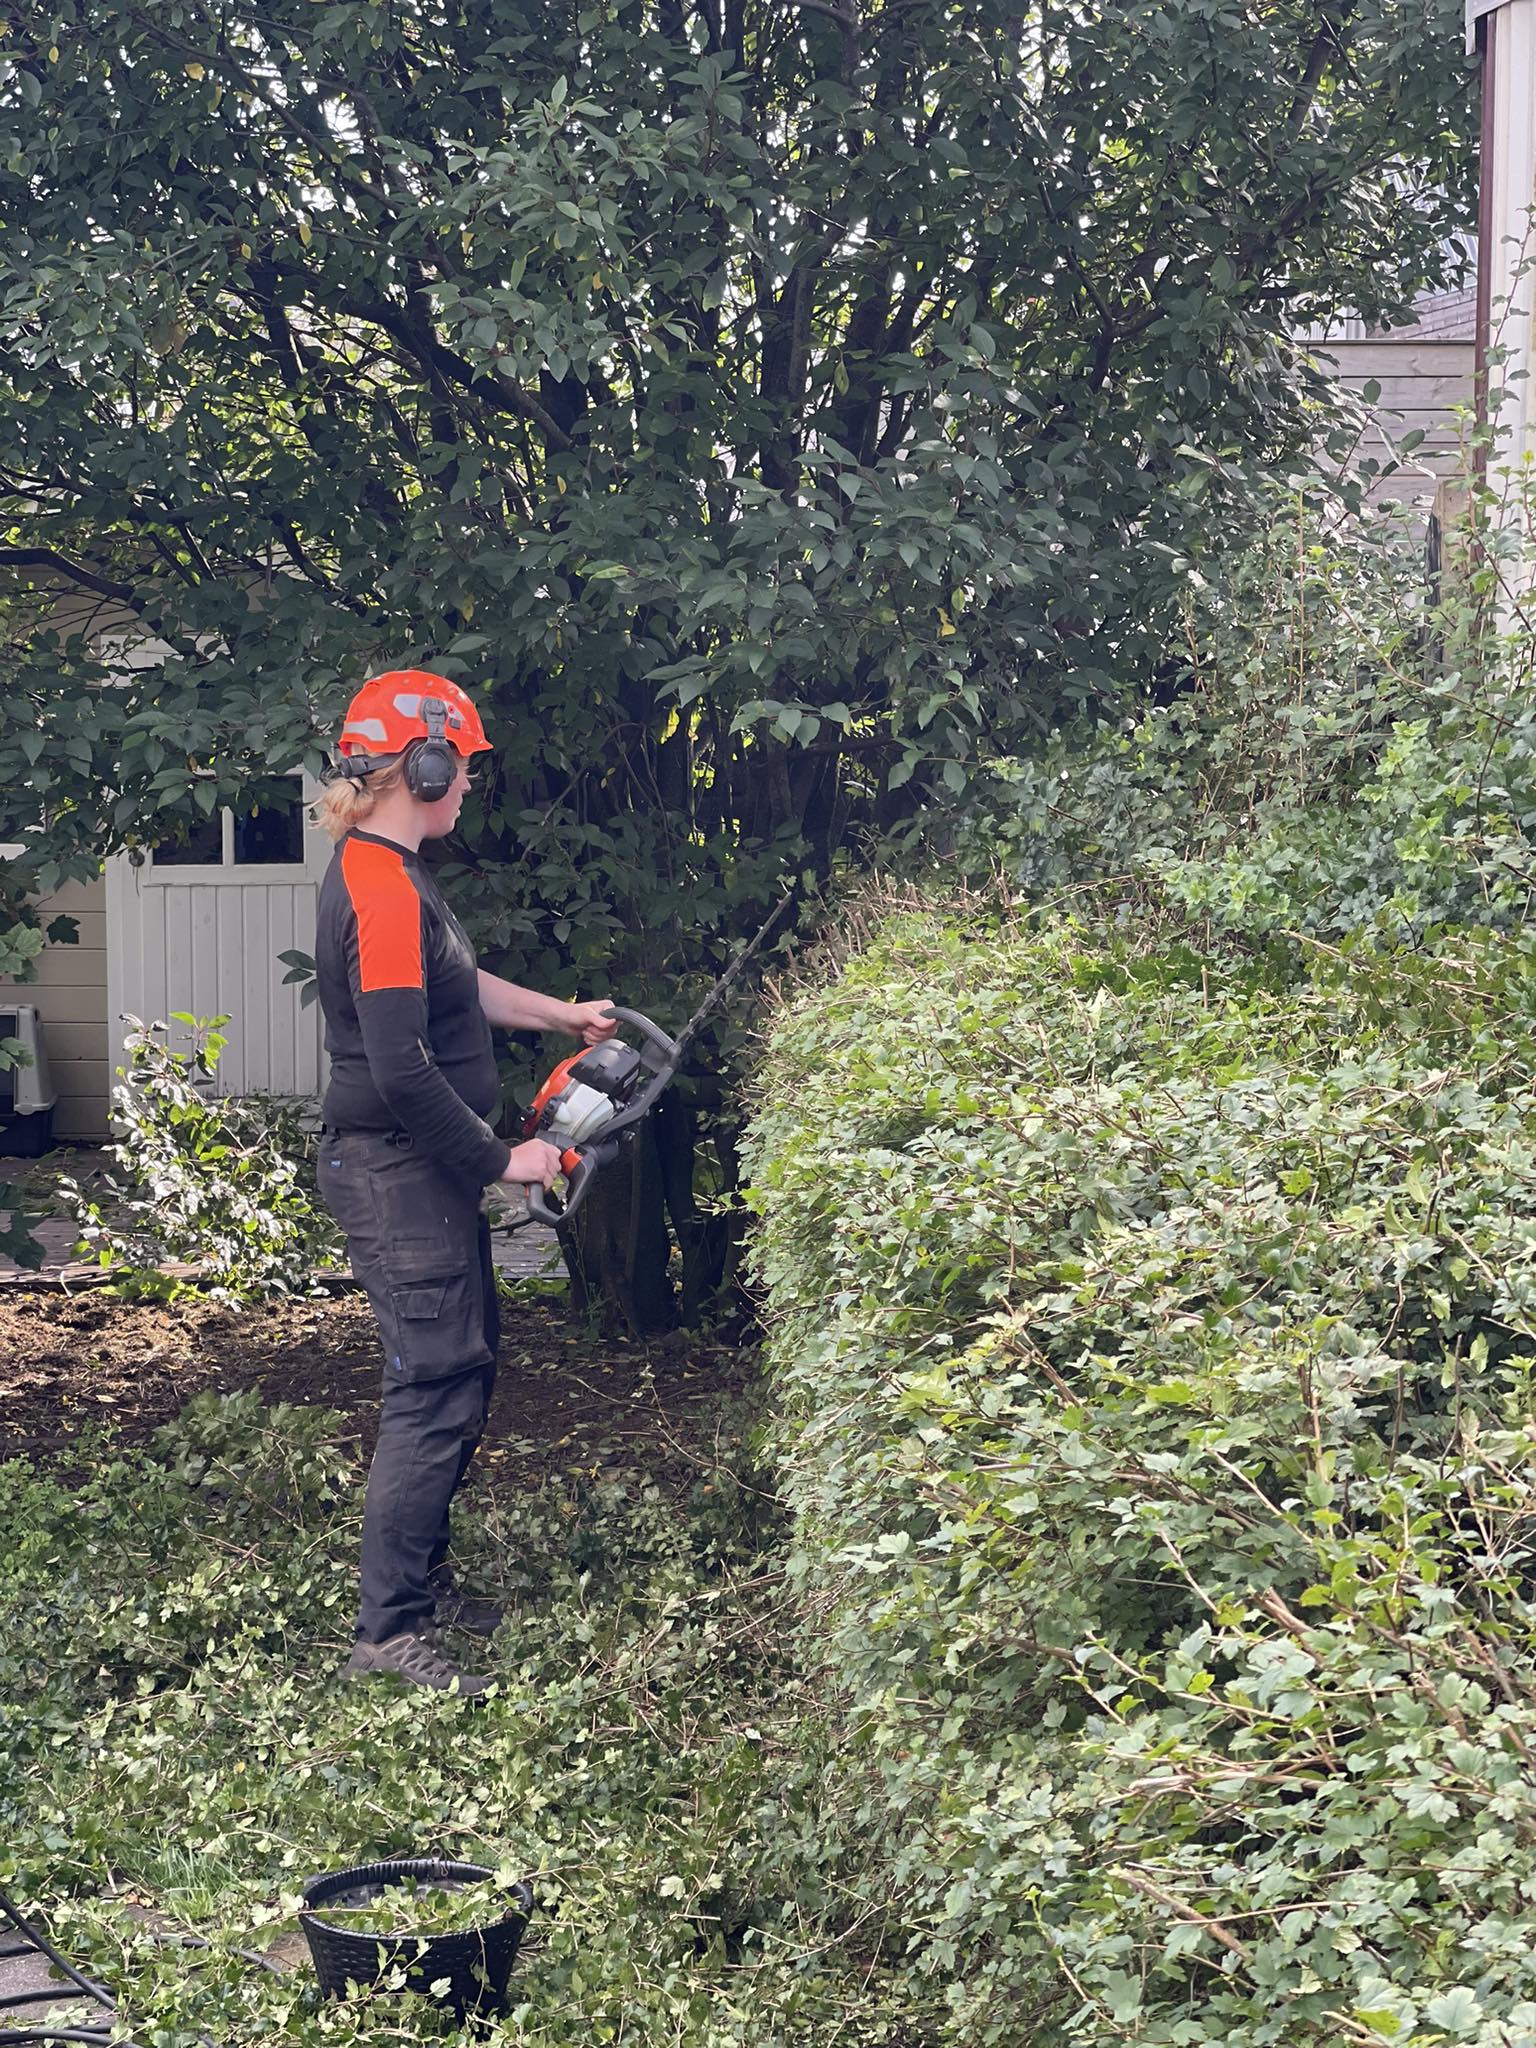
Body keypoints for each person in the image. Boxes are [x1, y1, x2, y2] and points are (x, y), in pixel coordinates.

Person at [311, 668, 617, 1697]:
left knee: (464, 1367)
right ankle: (388, 1631)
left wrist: (560, 1013)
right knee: (434, 1383)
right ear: (424, 765)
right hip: (397, 1168)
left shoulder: (391, 871)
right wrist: (505, 1158)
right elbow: (401, 1069)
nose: (472, 782)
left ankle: (422, 1588)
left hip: (413, 1169)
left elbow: (457, 984)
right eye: (465, 766)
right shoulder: (381, 885)